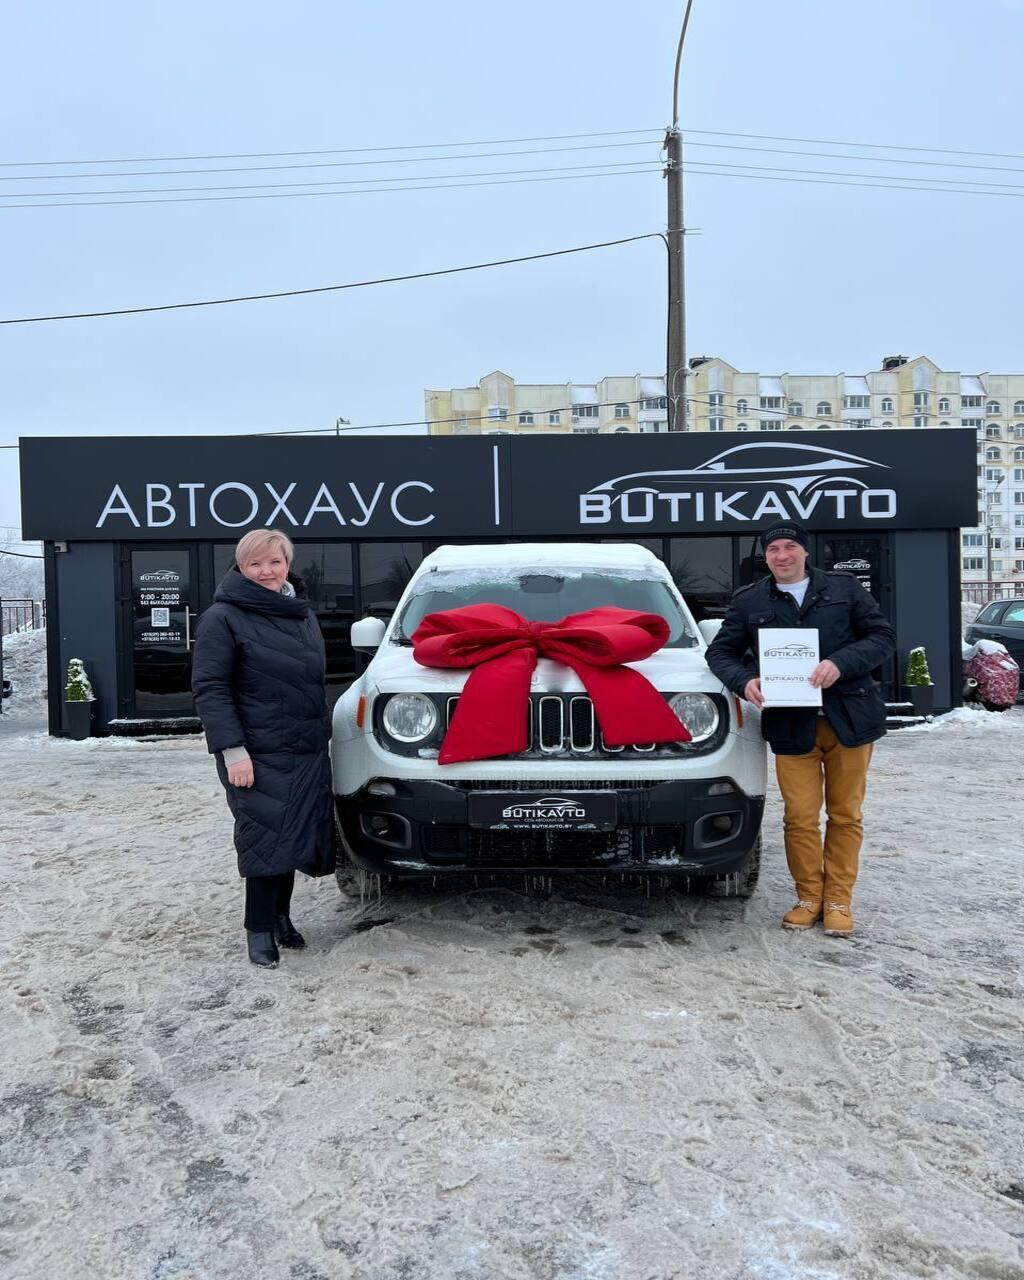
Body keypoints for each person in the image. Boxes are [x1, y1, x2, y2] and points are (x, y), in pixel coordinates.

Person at [706, 522, 896, 936]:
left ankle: (839, 900)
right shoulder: (750, 599)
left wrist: (841, 662)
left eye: (790, 546)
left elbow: (882, 636)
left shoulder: (844, 590)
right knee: (800, 818)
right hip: (792, 725)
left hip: (850, 720)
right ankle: (809, 896)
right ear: (766, 556)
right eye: (773, 548)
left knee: (845, 815)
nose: (782, 555)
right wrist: (745, 681)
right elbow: (720, 652)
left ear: (805, 552)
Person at [192, 529, 334, 967]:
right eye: (255, 564)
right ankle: (258, 929)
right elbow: (211, 688)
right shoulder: (223, 617)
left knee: (291, 833)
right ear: (241, 567)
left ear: (287, 563)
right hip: (255, 751)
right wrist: (233, 750)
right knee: (263, 836)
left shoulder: (300, 613)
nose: (266, 572)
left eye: (274, 562)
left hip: (303, 748)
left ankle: (281, 918)